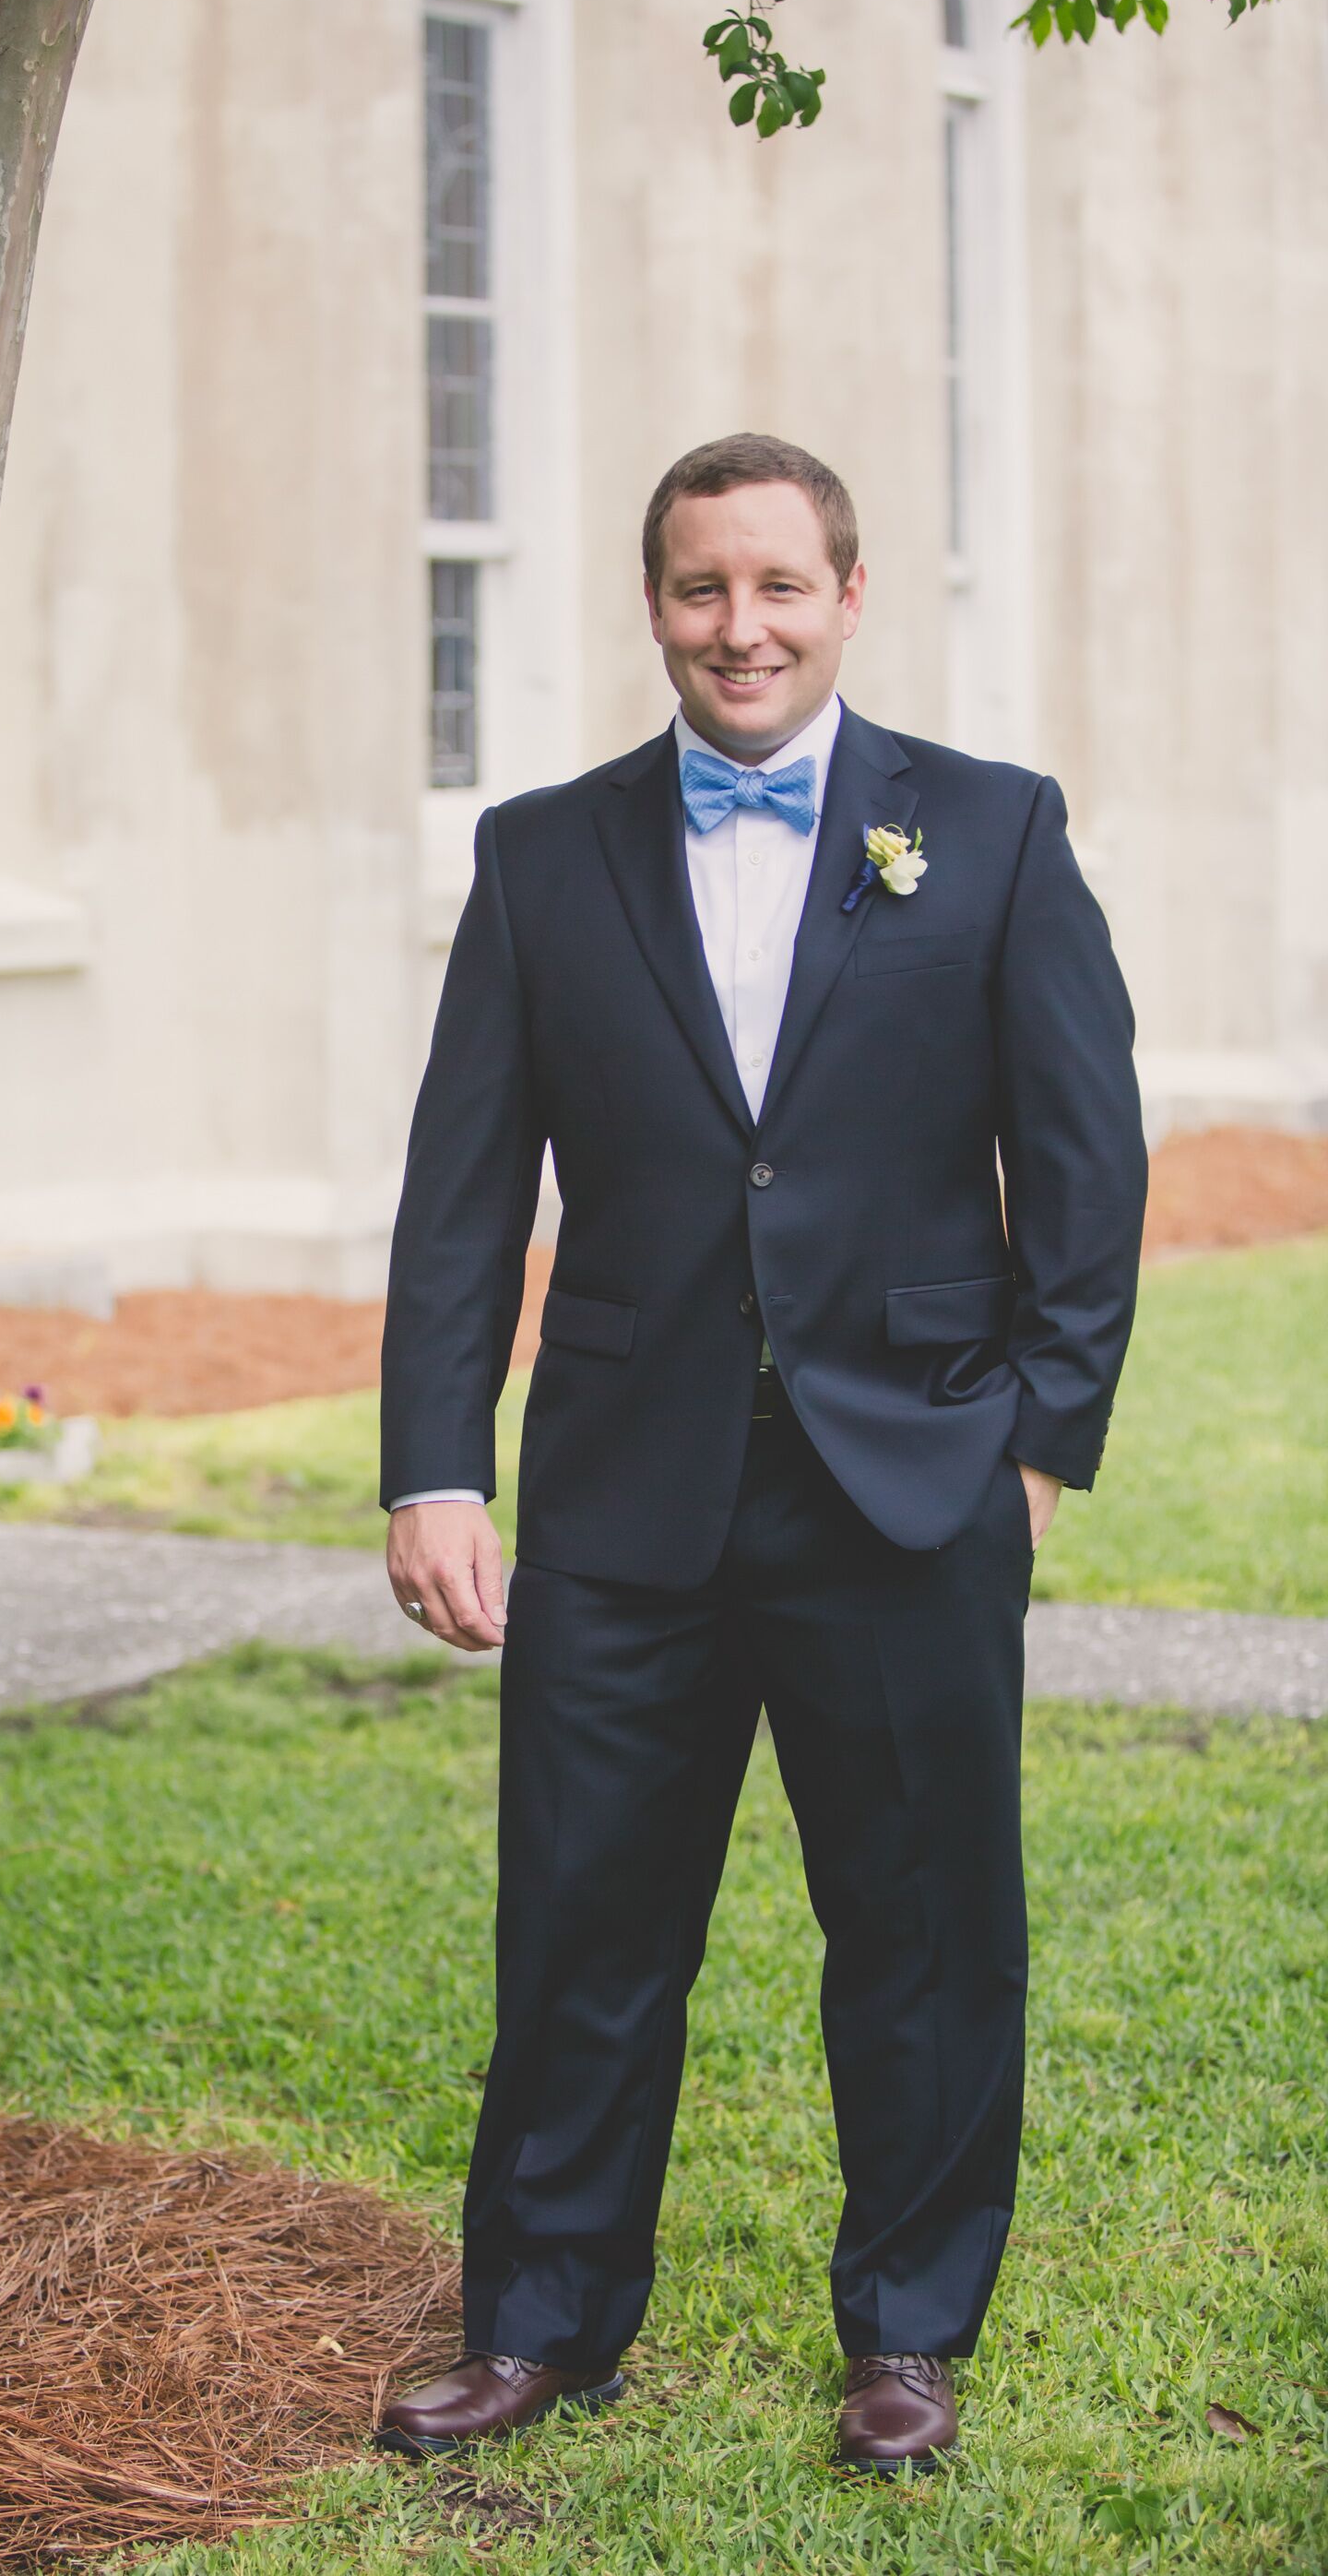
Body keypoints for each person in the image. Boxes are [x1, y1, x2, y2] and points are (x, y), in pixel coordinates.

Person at [374, 433, 1147, 2474]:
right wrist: (431, 1467)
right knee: (581, 1922)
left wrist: (1040, 1443)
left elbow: (1082, 1157)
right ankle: (540, 2324)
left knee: (917, 1924)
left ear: (849, 594)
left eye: (779, 587)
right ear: (654, 605)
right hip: (624, 1498)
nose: (742, 627)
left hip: (909, 1482)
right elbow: (463, 1191)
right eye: (704, 589)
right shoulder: (543, 856)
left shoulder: (982, 833)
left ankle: (906, 2326)